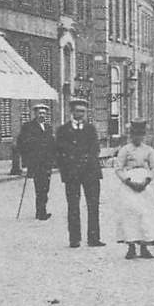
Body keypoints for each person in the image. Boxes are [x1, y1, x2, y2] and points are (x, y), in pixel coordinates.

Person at [55, 99, 105, 248]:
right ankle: (74, 239)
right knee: (73, 206)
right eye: (78, 111)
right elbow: (59, 151)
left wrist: (85, 160)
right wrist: (67, 168)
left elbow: (95, 149)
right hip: (72, 173)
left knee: (93, 205)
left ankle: (94, 238)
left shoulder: (91, 129)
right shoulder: (63, 130)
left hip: (90, 172)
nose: (81, 114)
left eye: (83, 111)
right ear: (72, 112)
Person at [113, 121, 154, 260]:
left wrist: (147, 180)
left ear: (144, 136)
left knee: (146, 213)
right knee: (130, 213)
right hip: (130, 183)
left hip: (145, 185)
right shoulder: (125, 150)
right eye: (135, 135)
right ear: (131, 135)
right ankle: (131, 246)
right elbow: (118, 168)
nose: (138, 138)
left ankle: (144, 246)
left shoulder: (148, 150)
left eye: (140, 135)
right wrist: (127, 181)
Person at [16, 104, 55, 220]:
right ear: (35, 114)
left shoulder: (48, 127)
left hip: (47, 163)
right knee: (40, 187)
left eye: (44, 113)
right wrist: (27, 160)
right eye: (40, 113)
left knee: (45, 188)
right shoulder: (28, 127)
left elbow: (52, 144)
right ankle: (40, 212)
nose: (42, 115)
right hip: (36, 162)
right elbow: (21, 143)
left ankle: (42, 210)